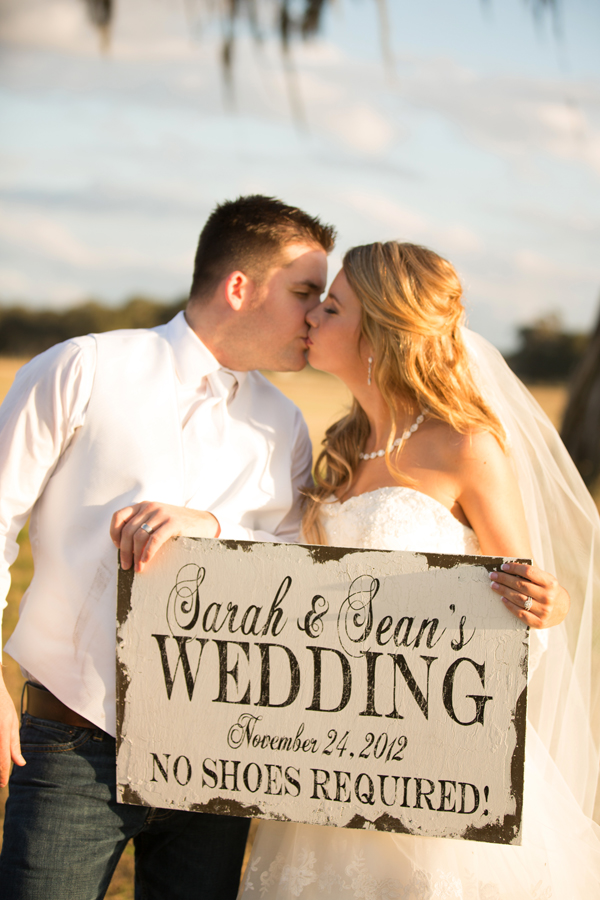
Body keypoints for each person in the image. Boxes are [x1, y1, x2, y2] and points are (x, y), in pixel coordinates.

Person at [238, 241, 600, 899]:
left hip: (433, 754)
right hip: (328, 752)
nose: (313, 317)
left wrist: (547, 605)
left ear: (378, 332)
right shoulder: (343, 448)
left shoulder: (465, 445)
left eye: (334, 306)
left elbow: (531, 592)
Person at [0, 195, 335, 899]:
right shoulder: (81, 369)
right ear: (239, 287)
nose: (316, 315)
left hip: (220, 754)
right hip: (70, 741)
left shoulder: (287, 426)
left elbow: (296, 570)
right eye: (305, 292)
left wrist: (211, 529)